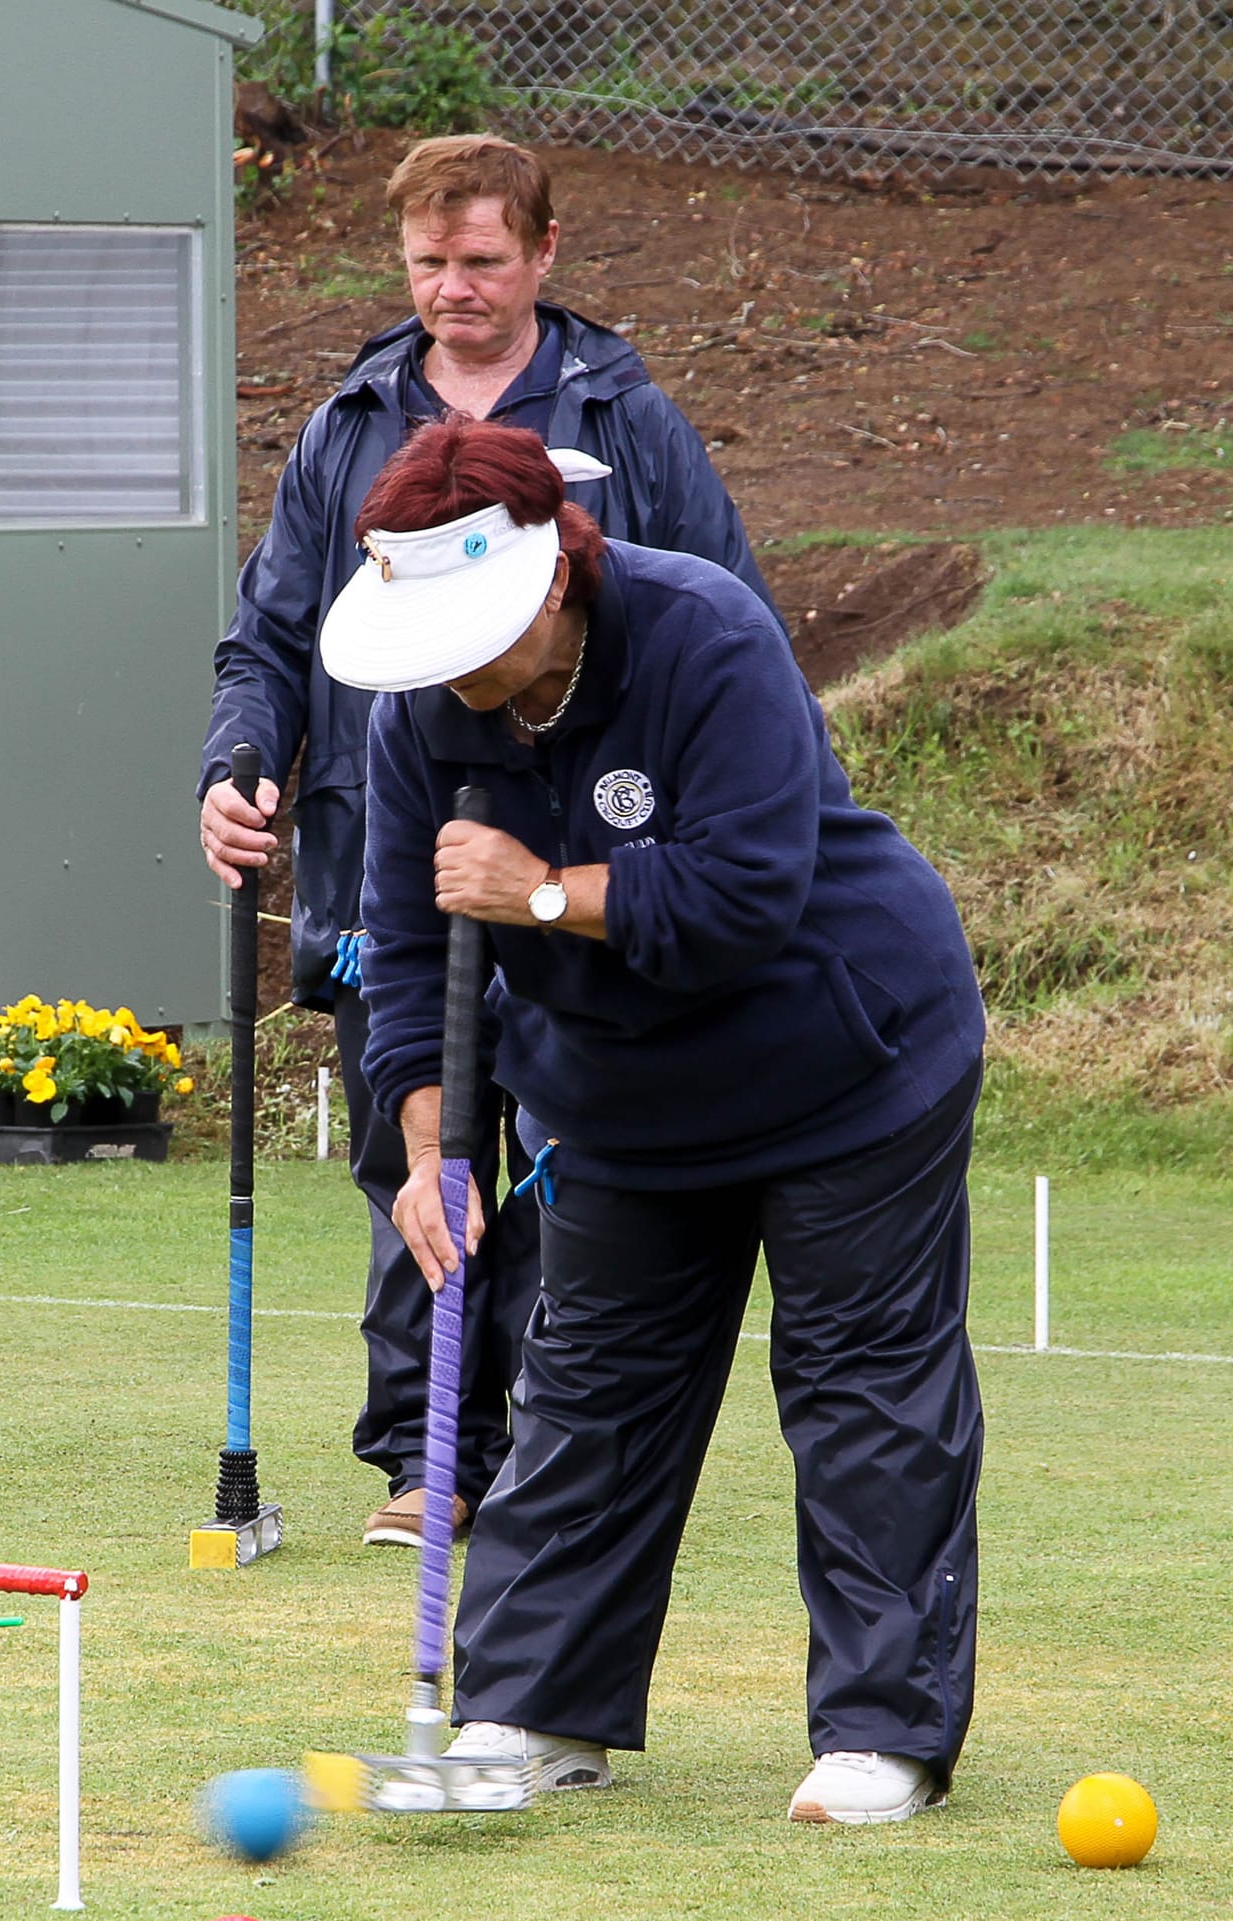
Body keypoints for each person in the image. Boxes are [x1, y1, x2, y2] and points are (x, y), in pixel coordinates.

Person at [323, 416, 987, 1825]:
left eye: (475, 635)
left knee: (863, 1391)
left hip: (850, 1063)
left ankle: (883, 1731)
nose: (454, 675)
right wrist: (432, 1144)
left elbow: (746, 896)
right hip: (622, 1105)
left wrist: (546, 891)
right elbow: (396, 949)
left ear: (557, 575)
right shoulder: (417, 713)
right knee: (592, 1397)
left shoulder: (706, 636)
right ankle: (531, 1706)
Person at [200, 134, 775, 1550]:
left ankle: (554, 1442)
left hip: (588, 859)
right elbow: (273, 634)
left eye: (482, 260)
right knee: (423, 1149)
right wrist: (239, 765)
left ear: (544, 255)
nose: (453, 289)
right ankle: (429, 1452)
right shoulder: (351, 423)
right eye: (427, 263)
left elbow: (726, 608)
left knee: (568, 1160)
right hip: (387, 849)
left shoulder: (623, 413)